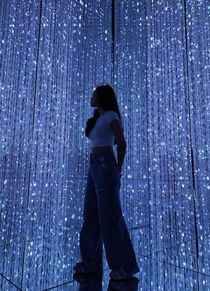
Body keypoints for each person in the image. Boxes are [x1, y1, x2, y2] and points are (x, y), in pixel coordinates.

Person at [73, 84, 139, 280]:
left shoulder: (111, 116)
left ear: (101, 97)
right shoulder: (98, 119)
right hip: (94, 166)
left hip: (105, 164)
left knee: (111, 217)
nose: (91, 96)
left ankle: (124, 266)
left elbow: (121, 141)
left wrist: (118, 167)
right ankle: (91, 262)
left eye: (94, 94)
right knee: (90, 215)